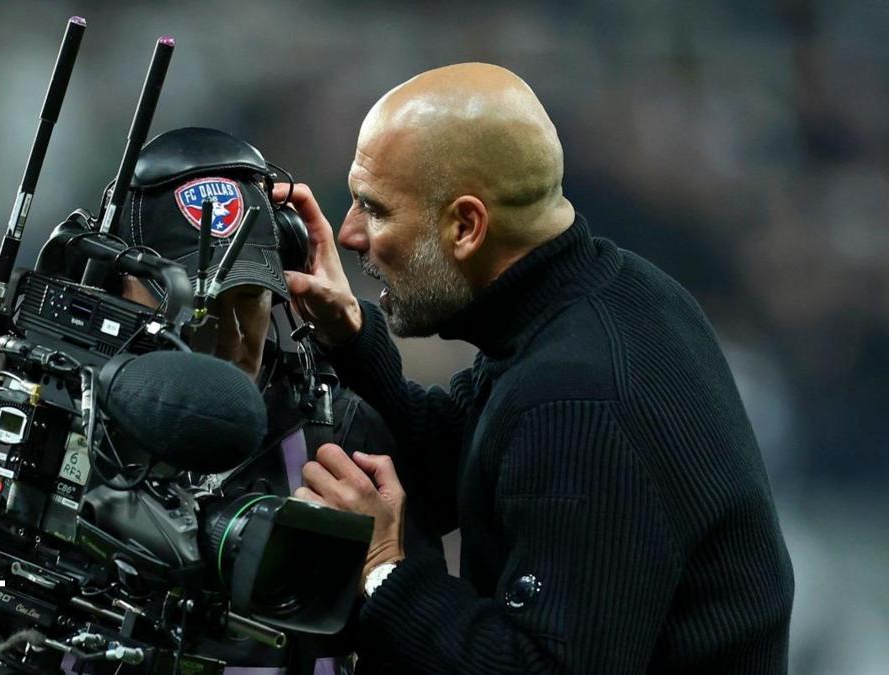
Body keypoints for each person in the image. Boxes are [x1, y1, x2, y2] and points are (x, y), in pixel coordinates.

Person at [0, 128, 404, 675]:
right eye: (191, 308)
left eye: (246, 300)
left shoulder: (337, 446)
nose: (225, 336)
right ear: (113, 291)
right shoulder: (15, 426)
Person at [277, 63, 795, 674]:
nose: (350, 234)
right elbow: (456, 464)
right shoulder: (616, 295)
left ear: (466, 226)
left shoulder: (579, 397)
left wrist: (384, 570)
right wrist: (349, 334)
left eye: (375, 209)